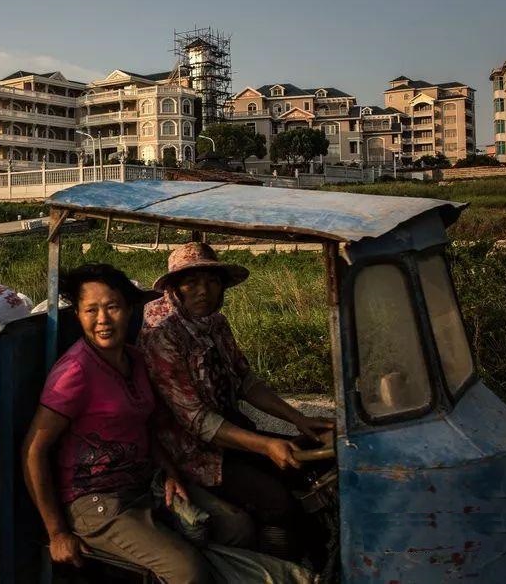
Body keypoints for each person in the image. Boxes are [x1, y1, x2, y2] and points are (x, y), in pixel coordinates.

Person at [22, 263, 252, 583]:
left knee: (237, 528)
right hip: (96, 502)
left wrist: (170, 474)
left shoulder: (137, 359)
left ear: (130, 309)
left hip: (144, 485)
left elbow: (146, 427)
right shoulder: (74, 373)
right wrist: (57, 531)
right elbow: (33, 451)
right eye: (91, 310)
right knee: (188, 571)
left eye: (112, 307)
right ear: (78, 315)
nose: (102, 319)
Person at [141, 242, 334, 561]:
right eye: (192, 282)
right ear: (175, 288)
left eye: (212, 281)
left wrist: (297, 419)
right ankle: (279, 567)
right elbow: (198, 421)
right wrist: (266, 446)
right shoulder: (161, 333)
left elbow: (245, 381)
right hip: (192, 452)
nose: (203, 291)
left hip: (230, 433)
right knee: (277, 501)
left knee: (313, 463)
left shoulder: (215, 323)